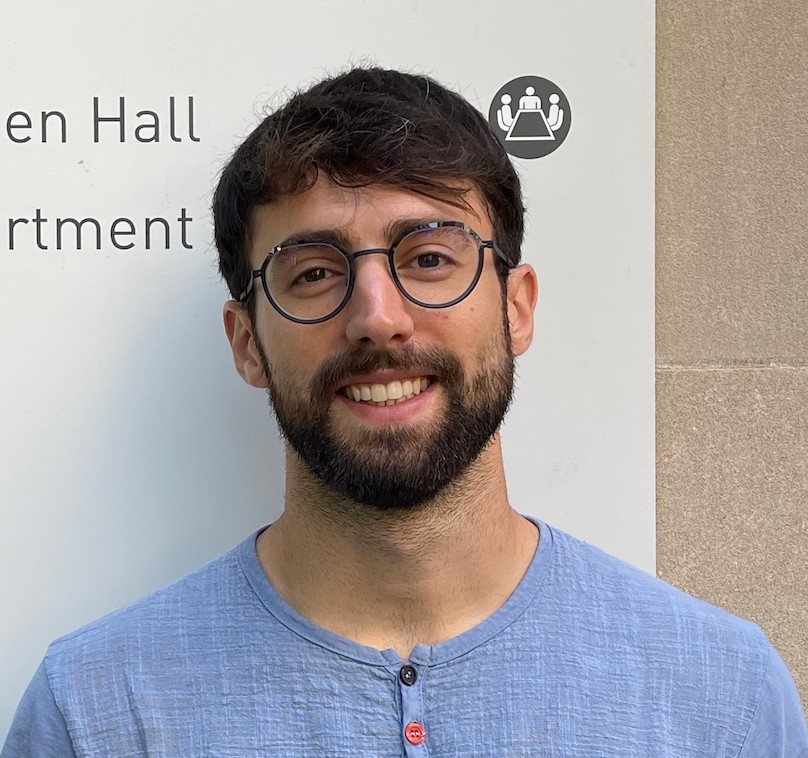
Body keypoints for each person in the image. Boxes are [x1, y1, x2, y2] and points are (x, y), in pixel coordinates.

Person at [3, 66, 806, 757]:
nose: (378, 316)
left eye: (429, 257)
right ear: (246, 342)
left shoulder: (721, 699)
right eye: (313, 272)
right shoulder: (98, 713)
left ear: (516, 308)